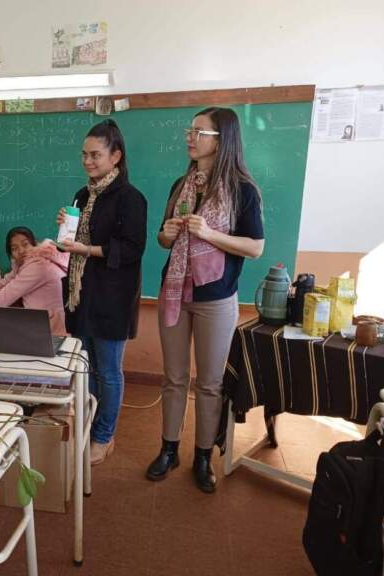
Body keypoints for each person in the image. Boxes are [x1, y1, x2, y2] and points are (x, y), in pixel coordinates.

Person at [146, 107, 264, 493]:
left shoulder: (243, 190)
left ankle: (202, 457)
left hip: (217, 297)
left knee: (210, 384)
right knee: (174, 378)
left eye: (199, 132)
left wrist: (210, 234)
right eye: (190, 130)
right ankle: (168, 449)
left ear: (221, 139)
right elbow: (164, 240)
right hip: (175, 291)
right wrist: (166, 234)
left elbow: (255, 247)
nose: (189, 137)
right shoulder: (181, 184)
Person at [56, 119, 147, 466]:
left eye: (95, 155)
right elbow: (74, 243)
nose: (87, 161)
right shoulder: (83, 195)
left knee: (108, 371)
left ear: (116, 156)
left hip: (113, 298)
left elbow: (132, 249)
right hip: (81, 295)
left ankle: (104, 435)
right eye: (84, 155)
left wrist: (86, 249)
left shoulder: (130, 198)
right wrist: (66, 228)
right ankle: (91, 426)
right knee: (87, 368)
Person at [0, 226, 69, 335]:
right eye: (14, 248)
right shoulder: (24, 265)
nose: (21, 251)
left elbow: (6, 295)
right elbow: (2, 284)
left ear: (34, 244)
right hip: (42, 324)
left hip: (53, 330)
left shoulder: (38, 265)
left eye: (25, 244)